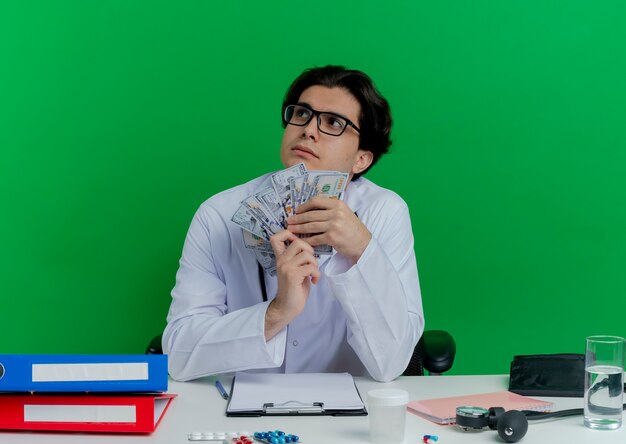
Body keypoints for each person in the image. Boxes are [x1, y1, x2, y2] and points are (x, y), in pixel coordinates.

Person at [163, 65, 424, 382]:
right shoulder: (218, 214)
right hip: (237, 414)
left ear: (361, 159)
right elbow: (177, 353)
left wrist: (362, 252)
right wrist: (277, 312)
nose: (309, 130)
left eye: (333, 123)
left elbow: (392, 362)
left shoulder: (384, 213)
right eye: (302, 114)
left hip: (347, 418)